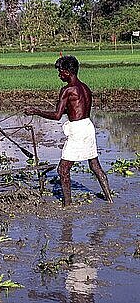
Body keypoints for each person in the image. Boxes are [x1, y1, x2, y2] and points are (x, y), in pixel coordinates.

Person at [24, 55, 113, 206]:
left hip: (77, 131)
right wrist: (64, 109)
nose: (59, 75)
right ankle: (109, 199)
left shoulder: (67, 90)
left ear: (67, 72)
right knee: (95, 165)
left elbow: (57, 115)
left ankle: (67, 204)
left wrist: (35, 111)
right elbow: (77, 110)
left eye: (60, 71)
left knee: (63, 169)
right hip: (87, 126)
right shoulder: (85, 88)